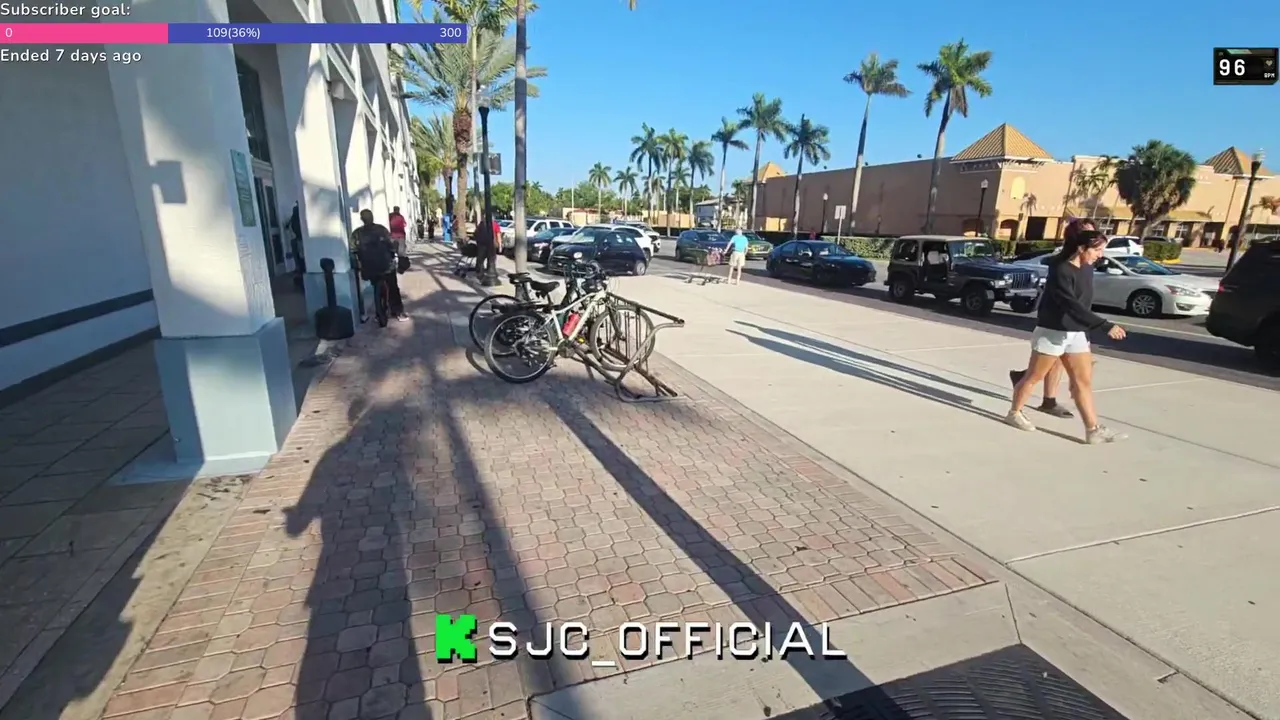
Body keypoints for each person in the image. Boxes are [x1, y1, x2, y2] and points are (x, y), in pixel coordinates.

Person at [1006, 229, 1126, 443]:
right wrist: (1103, 324)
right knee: (1034, 377)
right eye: (1097, 250)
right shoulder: (1061, 270)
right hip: (1052, 331)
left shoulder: (1087, 268)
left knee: (1082, 382)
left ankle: (1093, 430)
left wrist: (1086, 328)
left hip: (1077, 333)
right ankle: (1014, 413)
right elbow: (1070, 304)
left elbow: (1083, 304)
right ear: (1081, 248)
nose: (1100, 255)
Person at [1008, 218, 1098, 418]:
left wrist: (1084, 324)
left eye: (1094, 233)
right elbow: (1066, 299)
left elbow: (1084, 296)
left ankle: (1034, 386)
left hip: (1077, 324)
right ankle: (1043, 399)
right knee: (1052, 362)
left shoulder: (1088, 264)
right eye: (1087, 233)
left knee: (1059, 363)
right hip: (1056, 321)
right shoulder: (1061, 263)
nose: (1092, 237)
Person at [352, 209, 407, 322]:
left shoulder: (356, 233)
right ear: (372, 217)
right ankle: (398, 311)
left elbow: (353, 249)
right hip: (386, 265)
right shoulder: (381, 230)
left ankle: (379, 314)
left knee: (375, 285)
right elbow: (391, 244)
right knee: (393, 287)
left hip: (368, 268)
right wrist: (395, 252)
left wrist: (359, 262)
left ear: (362, 219)